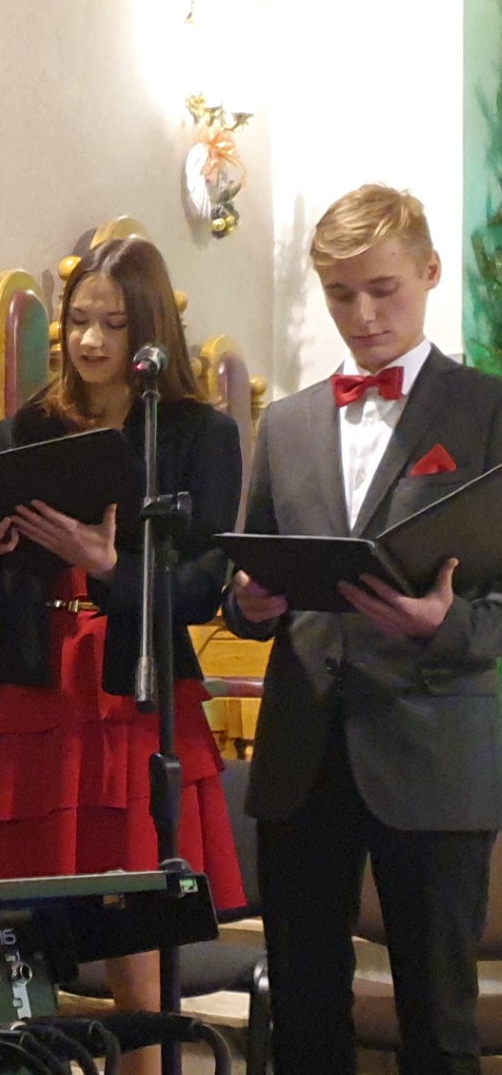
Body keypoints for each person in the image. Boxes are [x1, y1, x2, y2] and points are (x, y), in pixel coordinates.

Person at [0, 237, 246, 1075]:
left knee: (135, 929)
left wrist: (110, 567)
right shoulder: (24, 429)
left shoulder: (196, 432)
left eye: (113, 322)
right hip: (32, 689)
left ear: (150, 329)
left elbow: (205, 585)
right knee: (10, 931)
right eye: (78, 322)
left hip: (131, 694)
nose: (91, 340)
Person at [227, 185, 502, 1075]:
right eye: (341, 294)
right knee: (305, 1018)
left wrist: (447, 624)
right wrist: (247, 605)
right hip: (302, 752)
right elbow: (252, 570)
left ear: (430, 274)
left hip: (433, 750)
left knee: (439, 1026)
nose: (364, 314)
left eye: (384, 289)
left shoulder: (486, 411)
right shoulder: (286, 423)